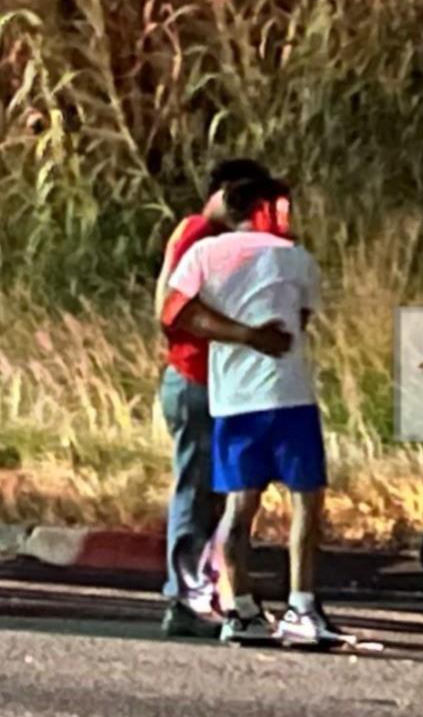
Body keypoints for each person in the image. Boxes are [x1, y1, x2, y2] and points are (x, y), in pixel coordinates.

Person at [161, 176, 340, 645]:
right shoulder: (296, 258)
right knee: (306, 502)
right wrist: (262, 333)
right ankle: (301, 605)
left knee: (238, 506)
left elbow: (174, 312)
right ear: (265, 207)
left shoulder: (204, 253)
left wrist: (238, 334)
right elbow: (301, 318)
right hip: (290, 394)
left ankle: (241, 609)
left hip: (234, 400)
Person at [155, 158, 292, 638]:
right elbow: (170, 311)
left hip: (223, 384)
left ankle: (210, 591)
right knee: (196, 490)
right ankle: (185, 596)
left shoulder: (226, 242)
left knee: (221, 492)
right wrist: (245, 335)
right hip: (195, 379)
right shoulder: (196, 233)